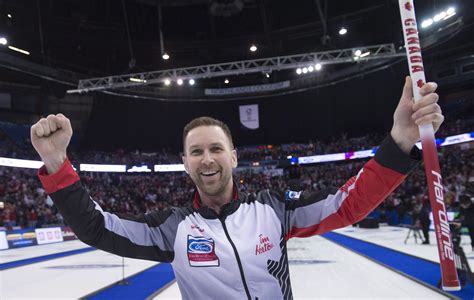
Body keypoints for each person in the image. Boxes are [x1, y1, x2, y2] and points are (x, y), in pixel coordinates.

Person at [31, 76, 443, 299]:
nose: (207, 159)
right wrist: (55, 162)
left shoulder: (274, 209)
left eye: (215, 149)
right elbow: (97, 229)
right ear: (184, 163)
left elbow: (349, 204)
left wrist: (401, 141)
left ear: (233, 157)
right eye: (196, 152)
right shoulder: (171, 228)